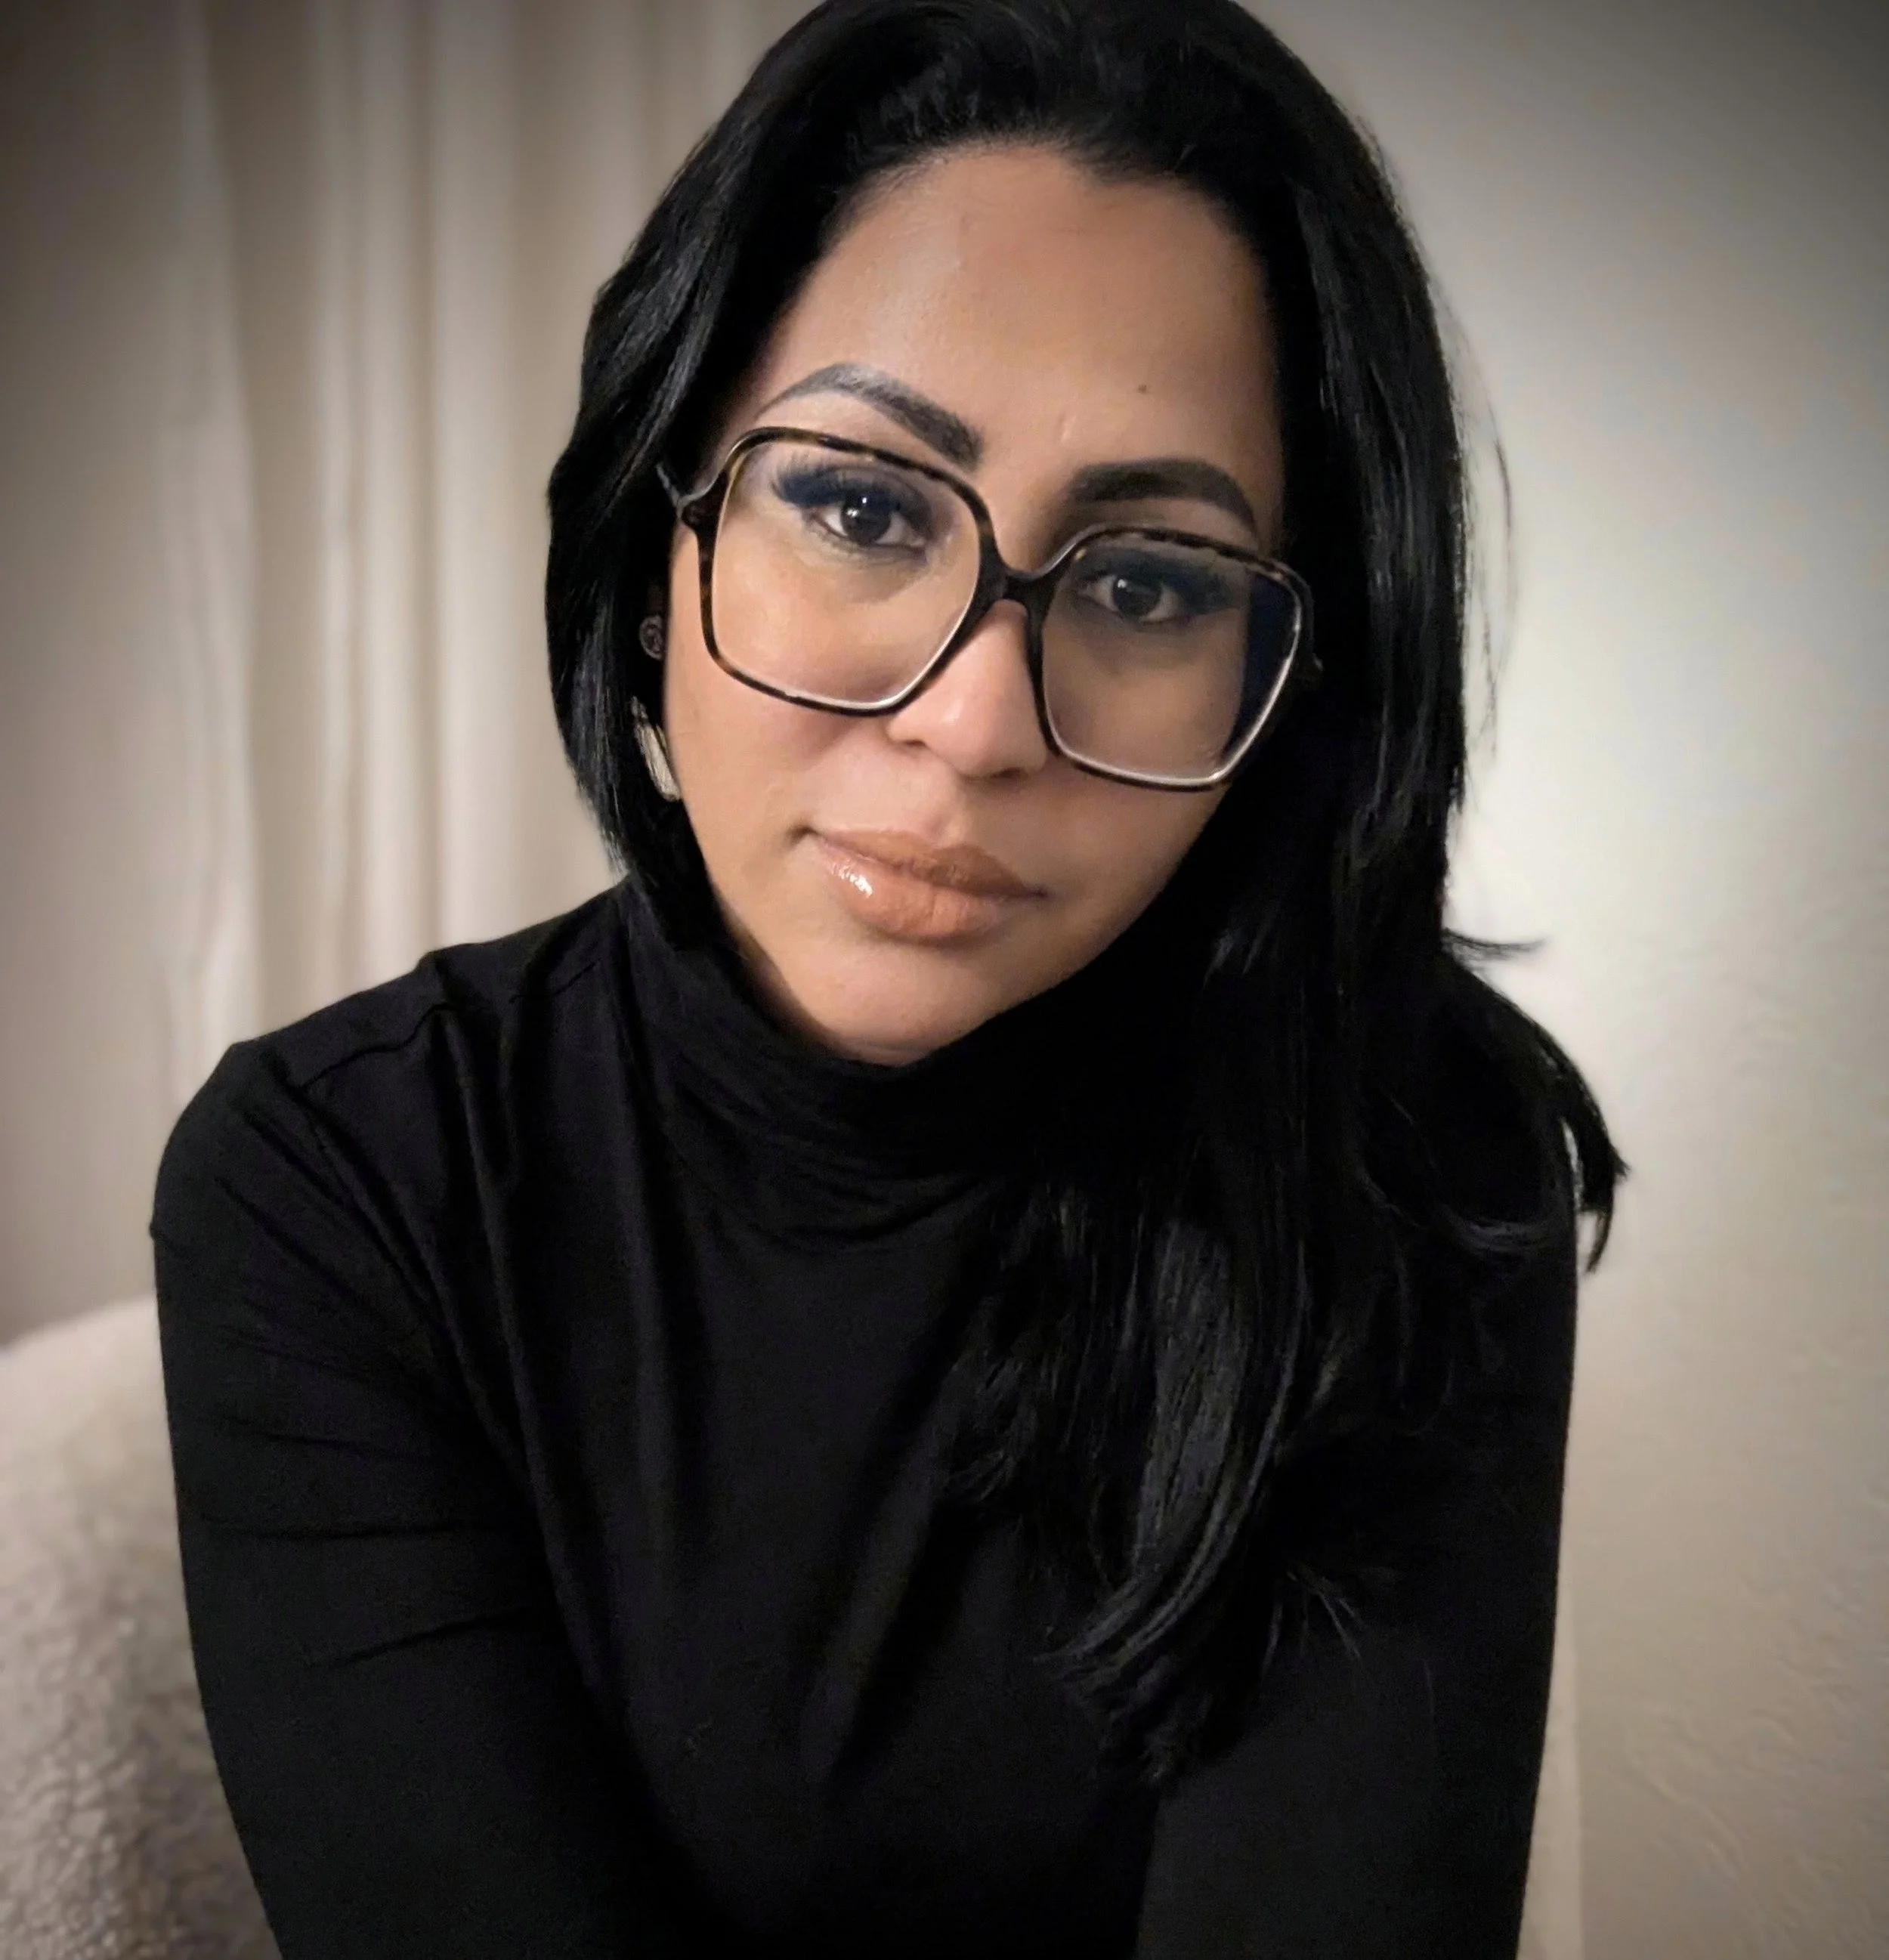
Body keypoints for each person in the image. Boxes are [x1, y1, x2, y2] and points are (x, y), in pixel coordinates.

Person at [152, 2, 1624, 1954]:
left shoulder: (1404, 1158)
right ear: (659, 530)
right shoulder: (343, 1185)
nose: (974, 722)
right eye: (859, 506)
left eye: (1149, 584)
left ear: (1285, 687)